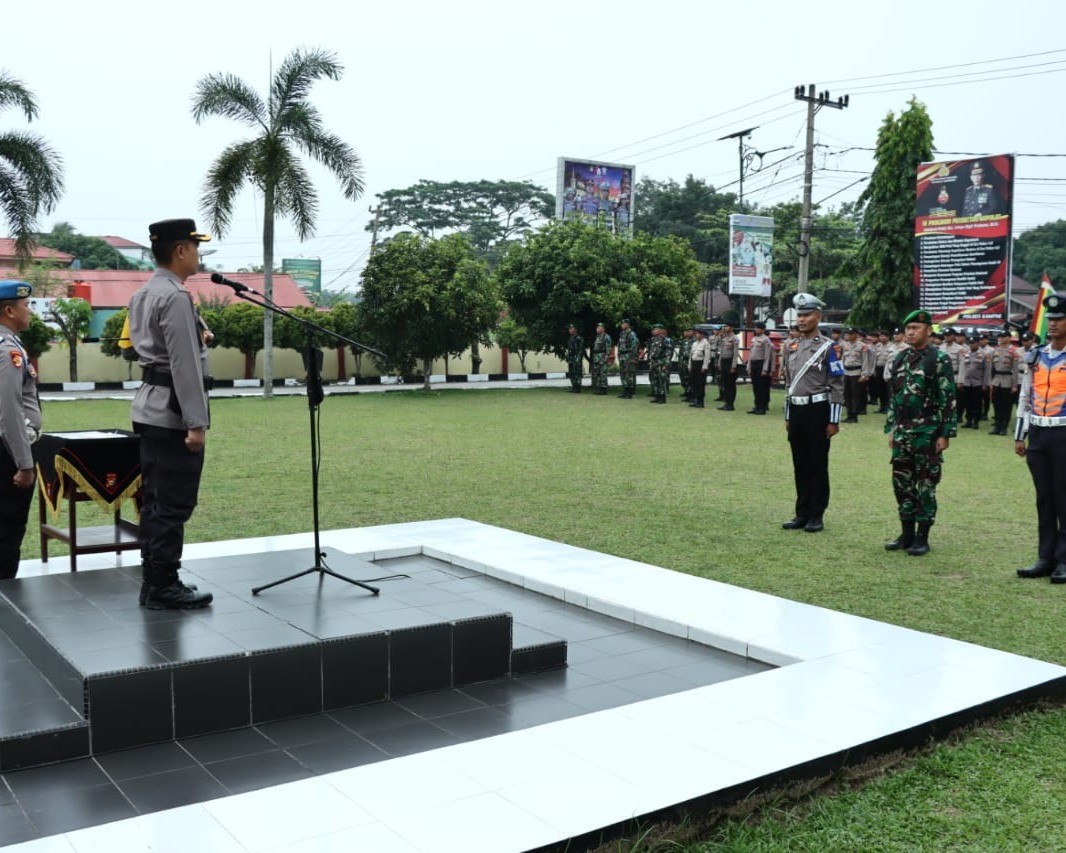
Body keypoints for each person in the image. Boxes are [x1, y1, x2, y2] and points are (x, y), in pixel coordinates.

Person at [128, 219, 214, 610]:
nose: (198, 254)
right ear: (180, 250)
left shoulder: (145, 292)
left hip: (149, 407)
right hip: (172, 414)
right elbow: (184, 365)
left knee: (155, 502)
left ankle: (154, 581)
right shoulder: (176, 296)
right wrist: (196, 423)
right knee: (172, 504)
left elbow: (139, 349)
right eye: (195, 247)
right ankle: (163, 585)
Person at [883, 309, 957, 556]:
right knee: (901, 483)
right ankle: (906, 533)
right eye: (908, 328)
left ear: (928, 330)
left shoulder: (939, 359)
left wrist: (945, 434)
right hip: (902, 432)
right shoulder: (900, 358)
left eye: (916, 328)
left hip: (927, 431)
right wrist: (892, 428)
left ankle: (922, 536)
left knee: (925, 484)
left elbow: (947, 397)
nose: (910, 332)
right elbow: (894, 397)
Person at [781, 293, 844, 533]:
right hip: (797, 410)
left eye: (807, 315)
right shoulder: (791, 346)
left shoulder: (830, 347)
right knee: (800, 463)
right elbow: (789, 383)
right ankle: (802, 512)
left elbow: (837, 385)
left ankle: (816, 514)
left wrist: (833, 420)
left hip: (818, 410)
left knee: (817, 463)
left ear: (818, 316)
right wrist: (788, 415)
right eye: (799, 315)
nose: (801, 319)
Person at [1015, 293, 1066, 581]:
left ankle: (1064, 558)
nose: (1054, 324)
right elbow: (1025, 396)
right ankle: (1045, 556)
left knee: (1063, 497)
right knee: (1044, 498)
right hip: (1037, 433)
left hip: (1063, 433)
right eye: (1051, 319)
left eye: (1060, 319)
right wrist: (1019, 435)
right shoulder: (1036, 356)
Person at [0, 280, 41, 580]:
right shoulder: (8, 351)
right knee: (8, 529)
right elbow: (9, 411)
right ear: (9, 311)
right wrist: (24, 464)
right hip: (8, 454)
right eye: (26, 305)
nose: (30, 311)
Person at [989, 332, 1019, 435]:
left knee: (1006, 405)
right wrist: (991, 381)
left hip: (1007, 380)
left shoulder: (1014, 351)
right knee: (996, 404)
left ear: (1009, 338)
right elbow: (991, 368)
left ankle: (1004, 427)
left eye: (1003, 337)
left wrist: (1014, 385)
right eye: (1000, 337)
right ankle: (997, 426)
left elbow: (1015, 369)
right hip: (996, 380)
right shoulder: (995, 350)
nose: (1001, 339)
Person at [746, 321, 774, 415]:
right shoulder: (754, 339)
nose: (756, 329)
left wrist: (765, 369)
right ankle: (757, 406)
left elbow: (767, 356)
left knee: (761, 387)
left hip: (761, 364)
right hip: (754, 363)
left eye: (758, 328)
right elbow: (751, 354)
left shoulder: (766, 340)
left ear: (763, 330)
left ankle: (762, 407)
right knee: (755, 386)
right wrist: (749, 367)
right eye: (755, 327)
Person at [717, 318, 739, 411]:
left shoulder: (735, 338)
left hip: (730, 362)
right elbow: (721, 352)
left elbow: (735, 353)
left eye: (727, 326)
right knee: (725, 383)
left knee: (731, 384)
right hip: (724, 362)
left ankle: (730, 404)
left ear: (732, 328)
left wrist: (733, 366)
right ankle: (726, 402)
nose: (725, 328)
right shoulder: (724, 338)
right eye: (725, 326)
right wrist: (719, 363)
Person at [647, 324, 672, 404]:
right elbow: (651, 352)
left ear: (660, 330)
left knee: (662, 381)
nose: (654, 331)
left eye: (656, 329)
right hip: (654, 363)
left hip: (661, 363)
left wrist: (666, 364)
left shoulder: (665, 340)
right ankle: (657, 396)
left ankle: (662, 397)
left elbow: (668, 353)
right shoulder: (654, 340)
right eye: (653, 330)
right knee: (655, 380)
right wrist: (650, 361)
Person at [688, 327, 712, 408]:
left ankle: (701, 402)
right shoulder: (694, 343)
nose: (696, 335)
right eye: (696, 333)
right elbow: (691, 355)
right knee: (694, 383)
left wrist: (704, 367)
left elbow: (707, 356)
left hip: (700, 365)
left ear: (702, 335)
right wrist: (689, 365)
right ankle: (696, 400)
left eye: (698, 333)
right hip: (694, 364)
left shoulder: (706, 343)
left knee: (700, 384)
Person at [616, 319, 639, 399]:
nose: (622, 325)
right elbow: (619, 345)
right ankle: (625, 390)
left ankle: (630, 392)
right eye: (621, 324)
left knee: (629, 374)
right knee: (623, 374)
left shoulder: (631, 334)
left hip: (628, 355)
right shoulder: (622, 334)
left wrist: (633, 357)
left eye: (624, 324)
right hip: (622, 356)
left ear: (628, 325)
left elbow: (635, 346)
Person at [590, 322, 611, 396]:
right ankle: (599, 388)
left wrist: (606, 358)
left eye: (599, 328)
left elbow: (608, 348)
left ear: (603, 329)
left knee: (603, 373)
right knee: (598, 374)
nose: (597, 329)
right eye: (597, 327)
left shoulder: (606, 337)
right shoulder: (597, 337)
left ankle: (603, 389)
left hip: (602, 357)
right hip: (597, 357)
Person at [565, 323, 584, 393]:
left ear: (575, 329)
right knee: (571, 373)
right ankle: (574, 387)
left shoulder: (579, 338)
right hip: (571, 358)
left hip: (576, 358)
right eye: (569, 329)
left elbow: (581, 350)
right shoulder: (571, 338)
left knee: (577, 373)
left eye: (571, 328)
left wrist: (578, 358)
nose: (569, 330)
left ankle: (578, 388)